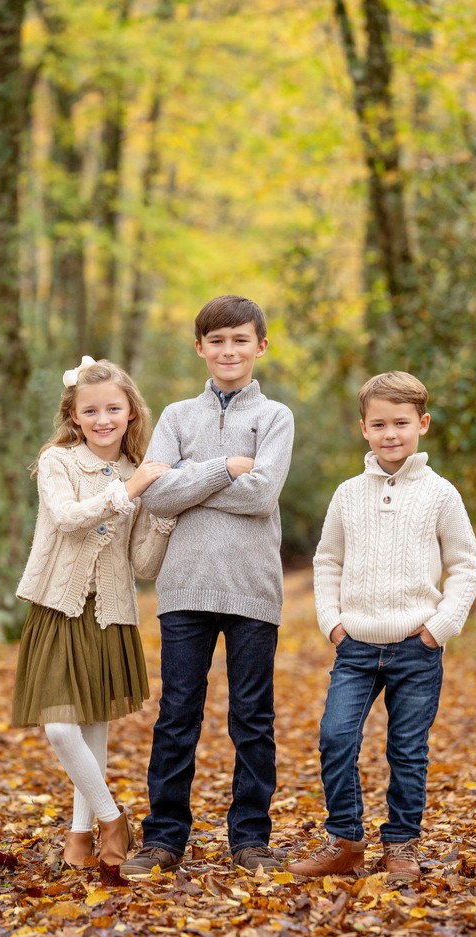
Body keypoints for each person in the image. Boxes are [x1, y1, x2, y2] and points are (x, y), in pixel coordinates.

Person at [120, 295, 295, 878]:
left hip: (252, 589)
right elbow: (156, 492)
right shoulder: (174, 416)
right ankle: (164, 837)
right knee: (177, 715)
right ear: (200, 347)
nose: (229, 350)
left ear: (260, 346)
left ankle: (250, 839)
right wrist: (228, 467)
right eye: (217, 341)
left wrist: (191, 477)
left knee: (252, 716)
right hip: (184, 589)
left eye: (240, 340)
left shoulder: (275, 418)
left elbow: (263, 495)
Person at [288, 370, 476, 882]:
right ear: (364, 429)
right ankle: (347, 842)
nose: (390, 433)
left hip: (417, 646)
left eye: (401, 422)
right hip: (355, 645)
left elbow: (466, 564)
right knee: (335, 736)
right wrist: (332, 622)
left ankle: (401, 844)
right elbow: (327, 560)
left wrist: (439, 627)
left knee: (407, 750)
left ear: (423, 423)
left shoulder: (441, 494)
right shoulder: (349, 493)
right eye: (379, 424)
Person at [11, 356, 175, 885]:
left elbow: (144, 565)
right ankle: (113, 819)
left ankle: (82, 835)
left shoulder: (141, 472)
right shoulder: (59, 462)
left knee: (93, 726)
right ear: (75, 416)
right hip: (59, 606)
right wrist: (127, 493)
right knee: (61, 726)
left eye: (113, 408)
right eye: (91, 410)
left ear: (130, 412)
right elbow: (67, 519)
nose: (103, 418)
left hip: (111, 613)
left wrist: (163, 516)